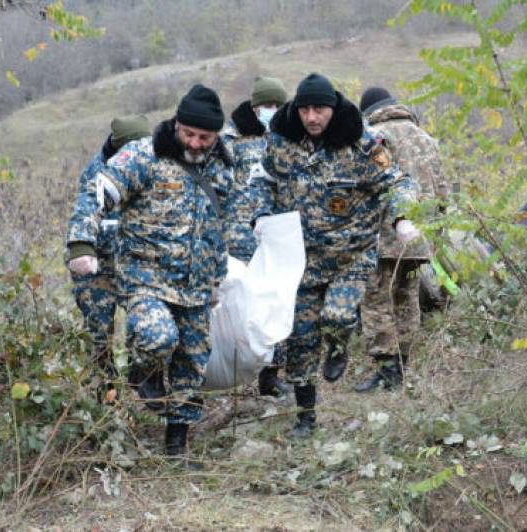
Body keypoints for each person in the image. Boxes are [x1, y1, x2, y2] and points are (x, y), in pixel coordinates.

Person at [66, 84, 231, 460]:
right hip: (145, 278)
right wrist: (81, 244)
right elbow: (99, 189)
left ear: (216, 135)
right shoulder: (143, 155)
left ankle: (178, 441)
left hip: (197, 284)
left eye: (204, 137)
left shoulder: (223, 165)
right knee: (158, 338)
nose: (195, 142)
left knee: (193, 362)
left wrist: (219, 275)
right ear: (176, 124)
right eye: (188, 133)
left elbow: (219, 223)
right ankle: (142, 371)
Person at [250, 73, 420, 437]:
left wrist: (402, 216)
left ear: (333, 108)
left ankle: (340, 345)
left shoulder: (362, 143)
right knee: (300, 340)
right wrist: (261, 215)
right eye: (305, 110)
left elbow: (399, 182)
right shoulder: (281, 142)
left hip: (351, 256)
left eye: (320, 110)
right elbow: (262, 181)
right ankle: (306, 416)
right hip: (300, 259)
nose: (312, 118)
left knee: (339, 317)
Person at [355, 87, 449, 392]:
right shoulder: (426, 139)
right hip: (419, 237)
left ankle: (387, 369)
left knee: (376, 297)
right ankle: (403, 362)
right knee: (407, 295)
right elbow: (445, 191)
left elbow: (367, 186)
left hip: (385, 234)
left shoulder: (374, 137)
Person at [221, 76, 292, 399]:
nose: (272, 111)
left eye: (278, 105)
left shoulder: (287, 139)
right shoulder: (229, 141)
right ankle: (229, 368)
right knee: (239, 308)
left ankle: (271, 376)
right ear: (254, 107)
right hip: (237, 241)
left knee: (276, 305)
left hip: (275, 238)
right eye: (267, 105)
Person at [66, 115, 150, 390]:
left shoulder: (153, 168)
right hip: (98, 266)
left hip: (135, 263)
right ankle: (107, 391)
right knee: (99, 332)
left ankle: (143, 380)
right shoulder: (97, 173)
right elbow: (85, 214)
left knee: (145, 324)